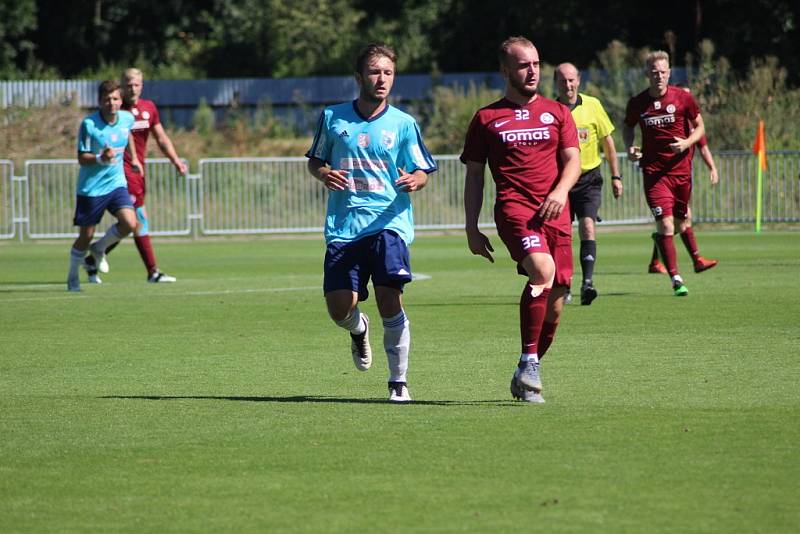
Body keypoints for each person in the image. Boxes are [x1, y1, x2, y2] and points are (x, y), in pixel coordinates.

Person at [305, 43, 437, 403]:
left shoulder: (404, 123)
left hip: (389, 222)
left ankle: (398, 382)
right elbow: (315, 161)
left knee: (388, 298)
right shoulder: (332, 118)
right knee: (339, 308)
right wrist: (324, 173)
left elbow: (423, 168)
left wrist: (415, 180)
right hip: (345, 226)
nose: (382, 79)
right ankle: (358, 329)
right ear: (359, 76)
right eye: (375, 72)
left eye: (388, 73)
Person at [461, 36, 581, 403]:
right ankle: (530, 362)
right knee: (541, 273)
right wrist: (471, 227)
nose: (533, 71)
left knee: (557, 296)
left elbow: (573, 161)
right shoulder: (486, 118)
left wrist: (560, 192)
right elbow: (475, 176)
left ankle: (526, 369)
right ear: (505, 70)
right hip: (516, 211)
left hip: (555, 214)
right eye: (524, 65)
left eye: (536, 64)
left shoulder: (557, 112)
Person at [623, 50, 714, 296]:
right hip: (654, 173)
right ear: (647, 74)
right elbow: (628, 127)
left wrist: (686, 143)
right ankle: (676, 278)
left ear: (669, 73)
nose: (659, 77)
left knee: (681, 221)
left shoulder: (683, 98)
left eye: (663, 72)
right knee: (665, 223)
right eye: (654, 73)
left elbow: (700, 126)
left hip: (681, 173)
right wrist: (629, 148)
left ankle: (688, 257)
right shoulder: (638, 103)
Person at [86, 68, 188, 283]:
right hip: (120, 171)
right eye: (128, 85)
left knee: (133, 222)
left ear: (142, 86)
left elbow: (161, 138)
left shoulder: (148, 108)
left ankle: (95, 253)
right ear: (122, 86)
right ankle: (152, 272)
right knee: (139, 219)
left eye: (136, 85)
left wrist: (176, 160)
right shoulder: (115, 109)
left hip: (138, 171)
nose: (132, 89)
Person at [554, 63, 623, 305]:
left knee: (587, 227)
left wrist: (616, 176)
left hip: (589, 179)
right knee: (562, 236)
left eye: (572, 80)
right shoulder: (550, 111)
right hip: (561, 182)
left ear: (579, 80)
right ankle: (565, 285)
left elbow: (608, 143)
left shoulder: (593, 105)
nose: (568, 85)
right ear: (556, 83)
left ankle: (587, 283)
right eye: (563, 81)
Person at [67, 80, 142, 291]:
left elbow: (128, 135)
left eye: (115, 98)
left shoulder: (127, 118)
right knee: (86, 235)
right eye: (107, 99)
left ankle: (99, 249)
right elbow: (82, 158)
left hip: (116, 184)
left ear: (121, 100)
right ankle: (72, 277)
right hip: (91, 188)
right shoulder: (89, 124)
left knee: (130, 223)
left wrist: (134, 159)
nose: (111, 103)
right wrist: (101, 158)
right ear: (100, 101)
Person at [647, 89, 719, 274]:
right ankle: (696, 260)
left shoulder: (694, 127)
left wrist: (712, 168)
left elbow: (703, 148)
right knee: (677, 220)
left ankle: (657, 259)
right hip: (664, 178)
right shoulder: (669, 122)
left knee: (679, 222)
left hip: (682, 178)